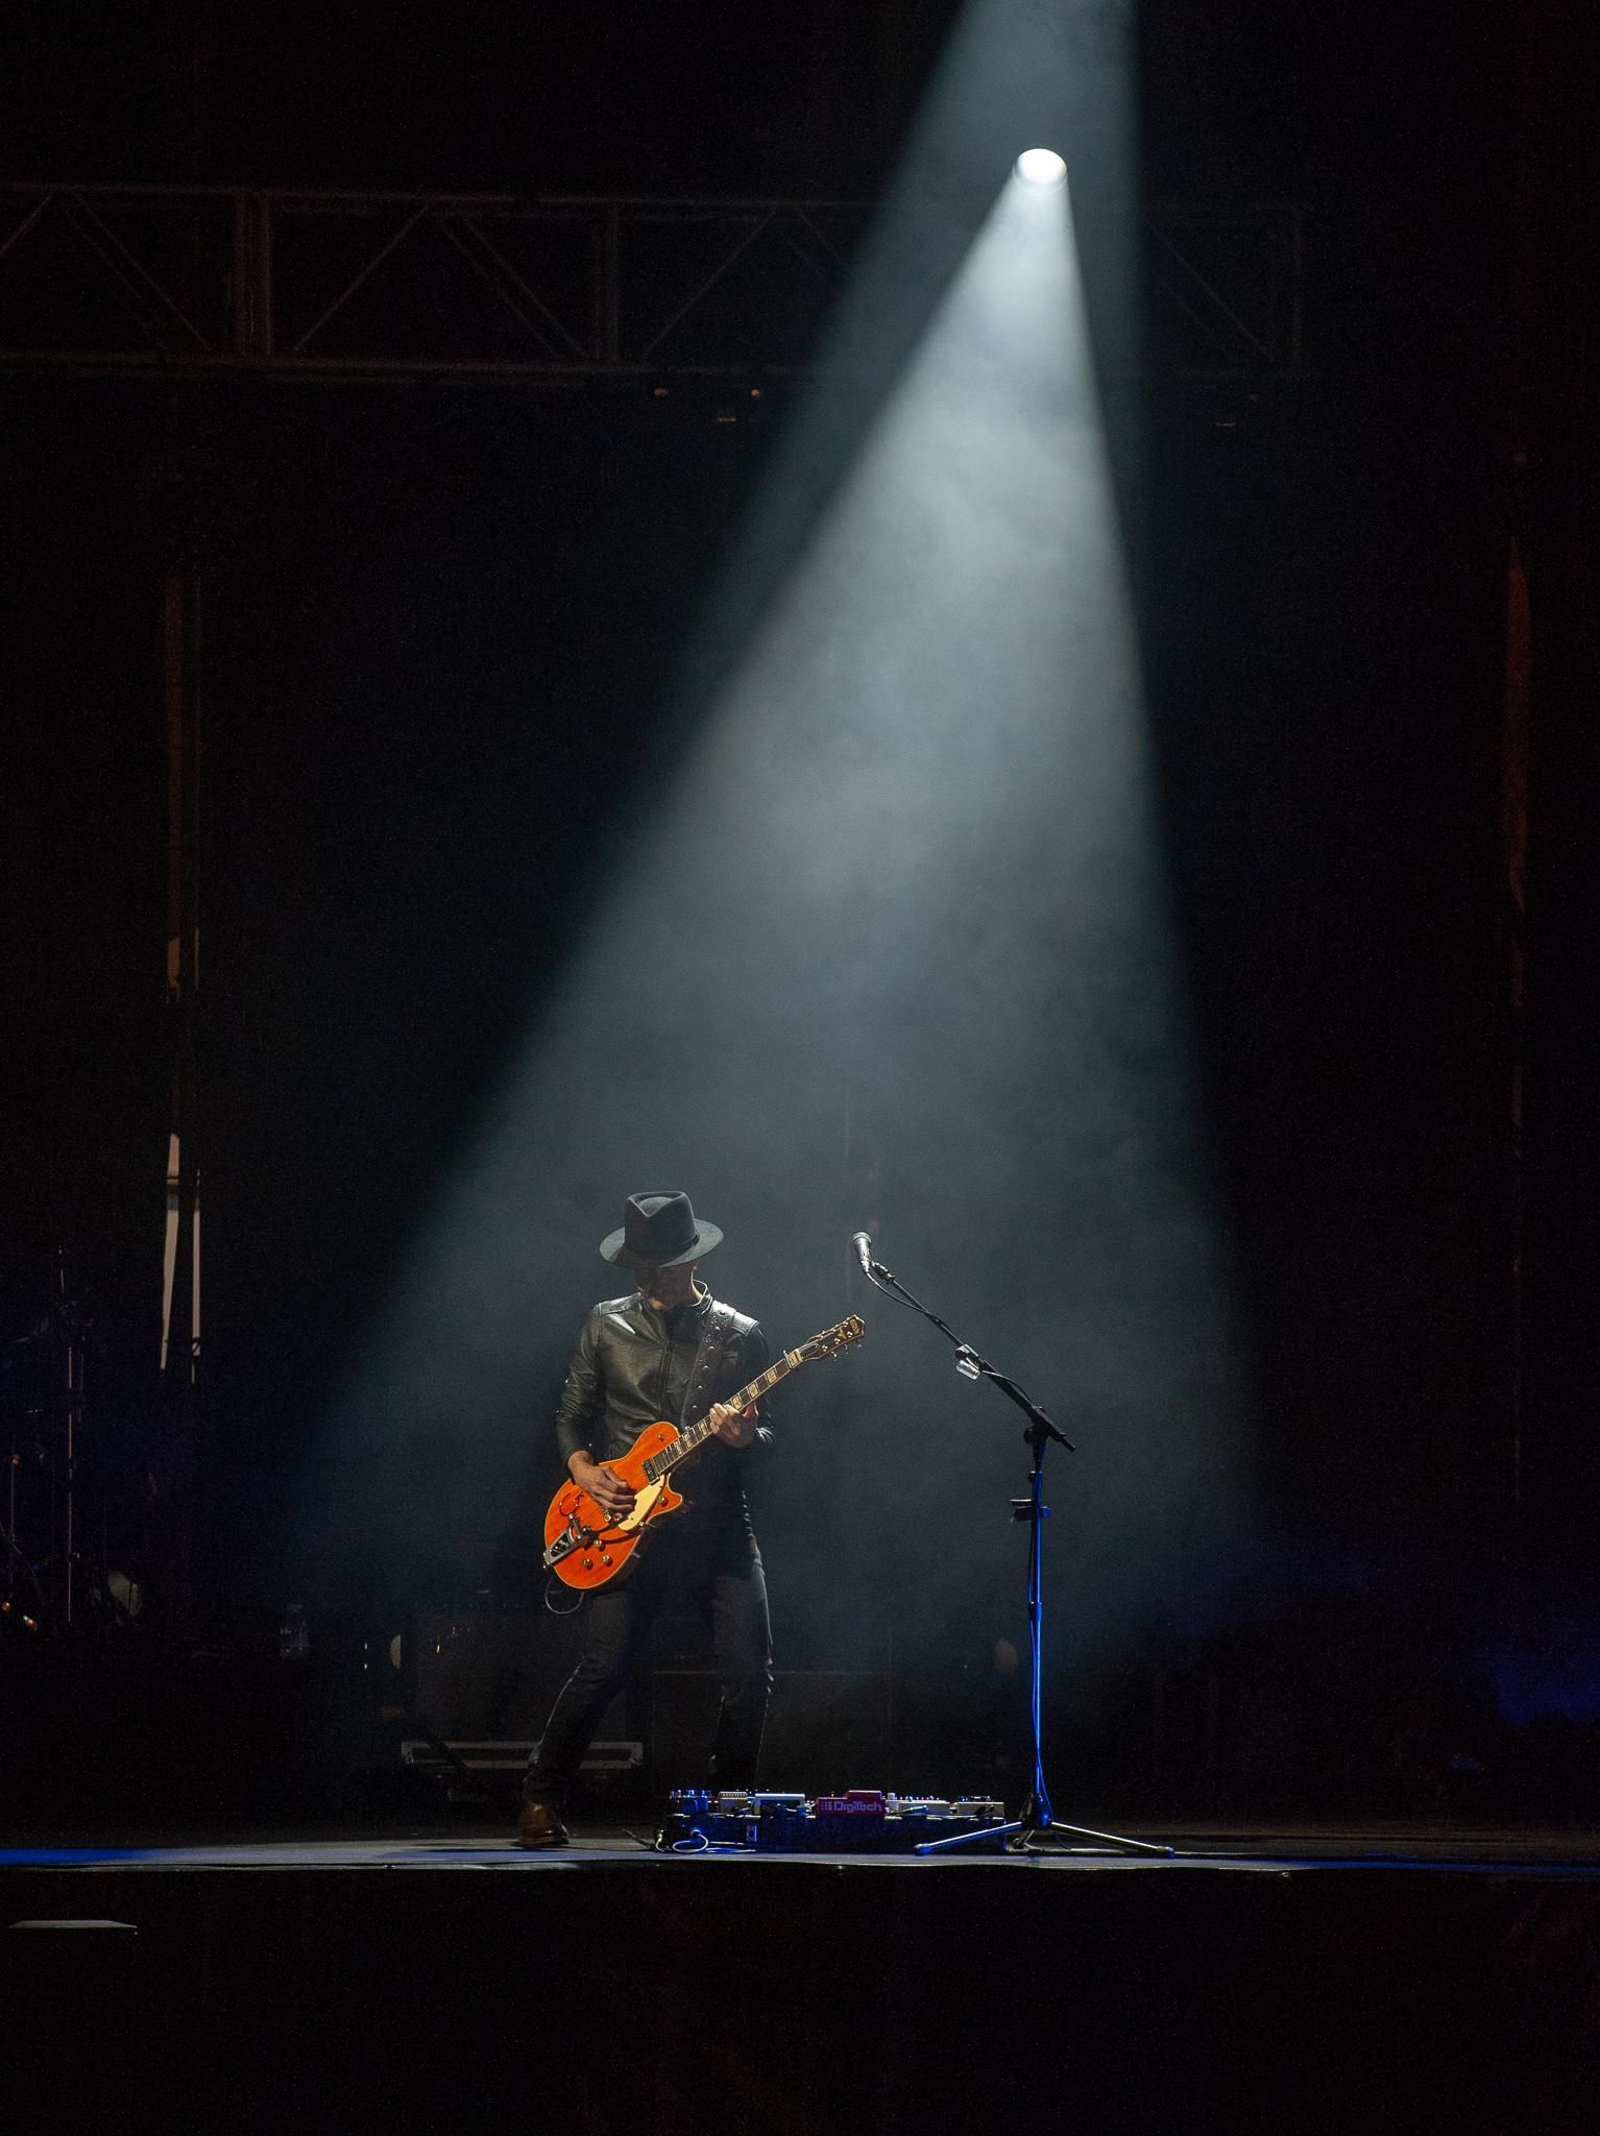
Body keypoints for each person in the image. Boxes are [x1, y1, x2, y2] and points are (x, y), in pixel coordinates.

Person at [517, 1190, 775, 1848]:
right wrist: (582, 1470)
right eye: (637, 1263)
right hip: (620, 1523)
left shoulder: (737, 1335)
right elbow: (571, 1414)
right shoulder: (604, 1324)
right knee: (604, 1667)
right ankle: (540, 1797)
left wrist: (745, 1438)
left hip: (714, 1525)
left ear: (689, 1262)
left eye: (655, 1263)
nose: (644, 1276)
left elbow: (771, 1442)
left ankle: (729, 1811)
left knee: (748, 1671)